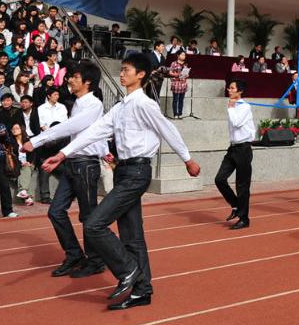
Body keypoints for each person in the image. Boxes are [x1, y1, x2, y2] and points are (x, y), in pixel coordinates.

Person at [43, 52, 200, 310]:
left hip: (138, 172)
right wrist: (63, 153)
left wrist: (187, 159)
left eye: (127, 69)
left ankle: (128, 270)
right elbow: (94, 132)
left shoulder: (145, 104)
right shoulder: (120, 107)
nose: (122, 73)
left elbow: (167, 129)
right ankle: (142, 290)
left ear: (141, 75)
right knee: (132, 236)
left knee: (94, 224)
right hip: (123, 171)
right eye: (122, 69)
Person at [24, 61, 108, 278]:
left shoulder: (93, 104)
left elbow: (72, 127)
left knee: (88, 216)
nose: (69, 79)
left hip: (86, 165)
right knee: (55, 211)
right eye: (70, 76)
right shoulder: (78, 103)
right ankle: (74, 255)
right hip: (73, 163)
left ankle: (96, 260)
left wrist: (39, 140)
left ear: (87, 81)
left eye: (74, 76)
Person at [215, 80, 255, 229]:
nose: (229, 90)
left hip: (244, 149)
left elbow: (237, 122)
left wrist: (231, 107)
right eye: (229, 87)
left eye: (232, 88)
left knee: (242, 186)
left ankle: (244, 219)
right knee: (219, 179)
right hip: (233, 148)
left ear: (240, 91)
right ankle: (236, 205)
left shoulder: (245, 107)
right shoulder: (234, 106)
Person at [168, 51, 190, 119]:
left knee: (181, 100)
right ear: (178, 55)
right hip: (176, 83)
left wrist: (186, 75)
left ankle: (180, 113)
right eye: (182, 55)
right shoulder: (174, 63)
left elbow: (186, 74)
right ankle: (175, 114)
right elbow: (170, 72)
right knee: (175, 99)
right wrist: (177, 74)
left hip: (183, 83)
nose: (184, 56)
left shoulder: (185, 64)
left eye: (184, 55)